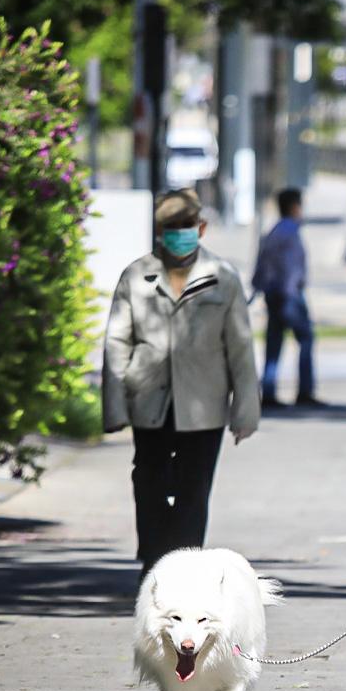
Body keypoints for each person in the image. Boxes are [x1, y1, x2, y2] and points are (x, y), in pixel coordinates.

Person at [102, 189, 261, 579]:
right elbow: (116, 341)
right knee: (149, 481)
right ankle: (155, 559)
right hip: (149, 399)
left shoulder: (222, 277)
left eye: (185, 226)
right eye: (171, 228)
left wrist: (245, 411)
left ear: (201, 228)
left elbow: (240, 346)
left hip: (203, 404)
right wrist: (114, 407)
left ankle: (180, 571)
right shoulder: (136, 275)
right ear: (159, 231)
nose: (179, 234)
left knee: (193, 490)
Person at [252, 187, 319, 408]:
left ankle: (269, 392)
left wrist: (258, 288)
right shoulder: (291, 233)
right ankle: (305, 391)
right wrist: (290, 295)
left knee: (274, 344)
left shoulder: (273, 231)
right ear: (294, 207)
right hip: (288, 295)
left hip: (273, 293)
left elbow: (261, 265)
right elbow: (291, 269)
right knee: (306, 338)